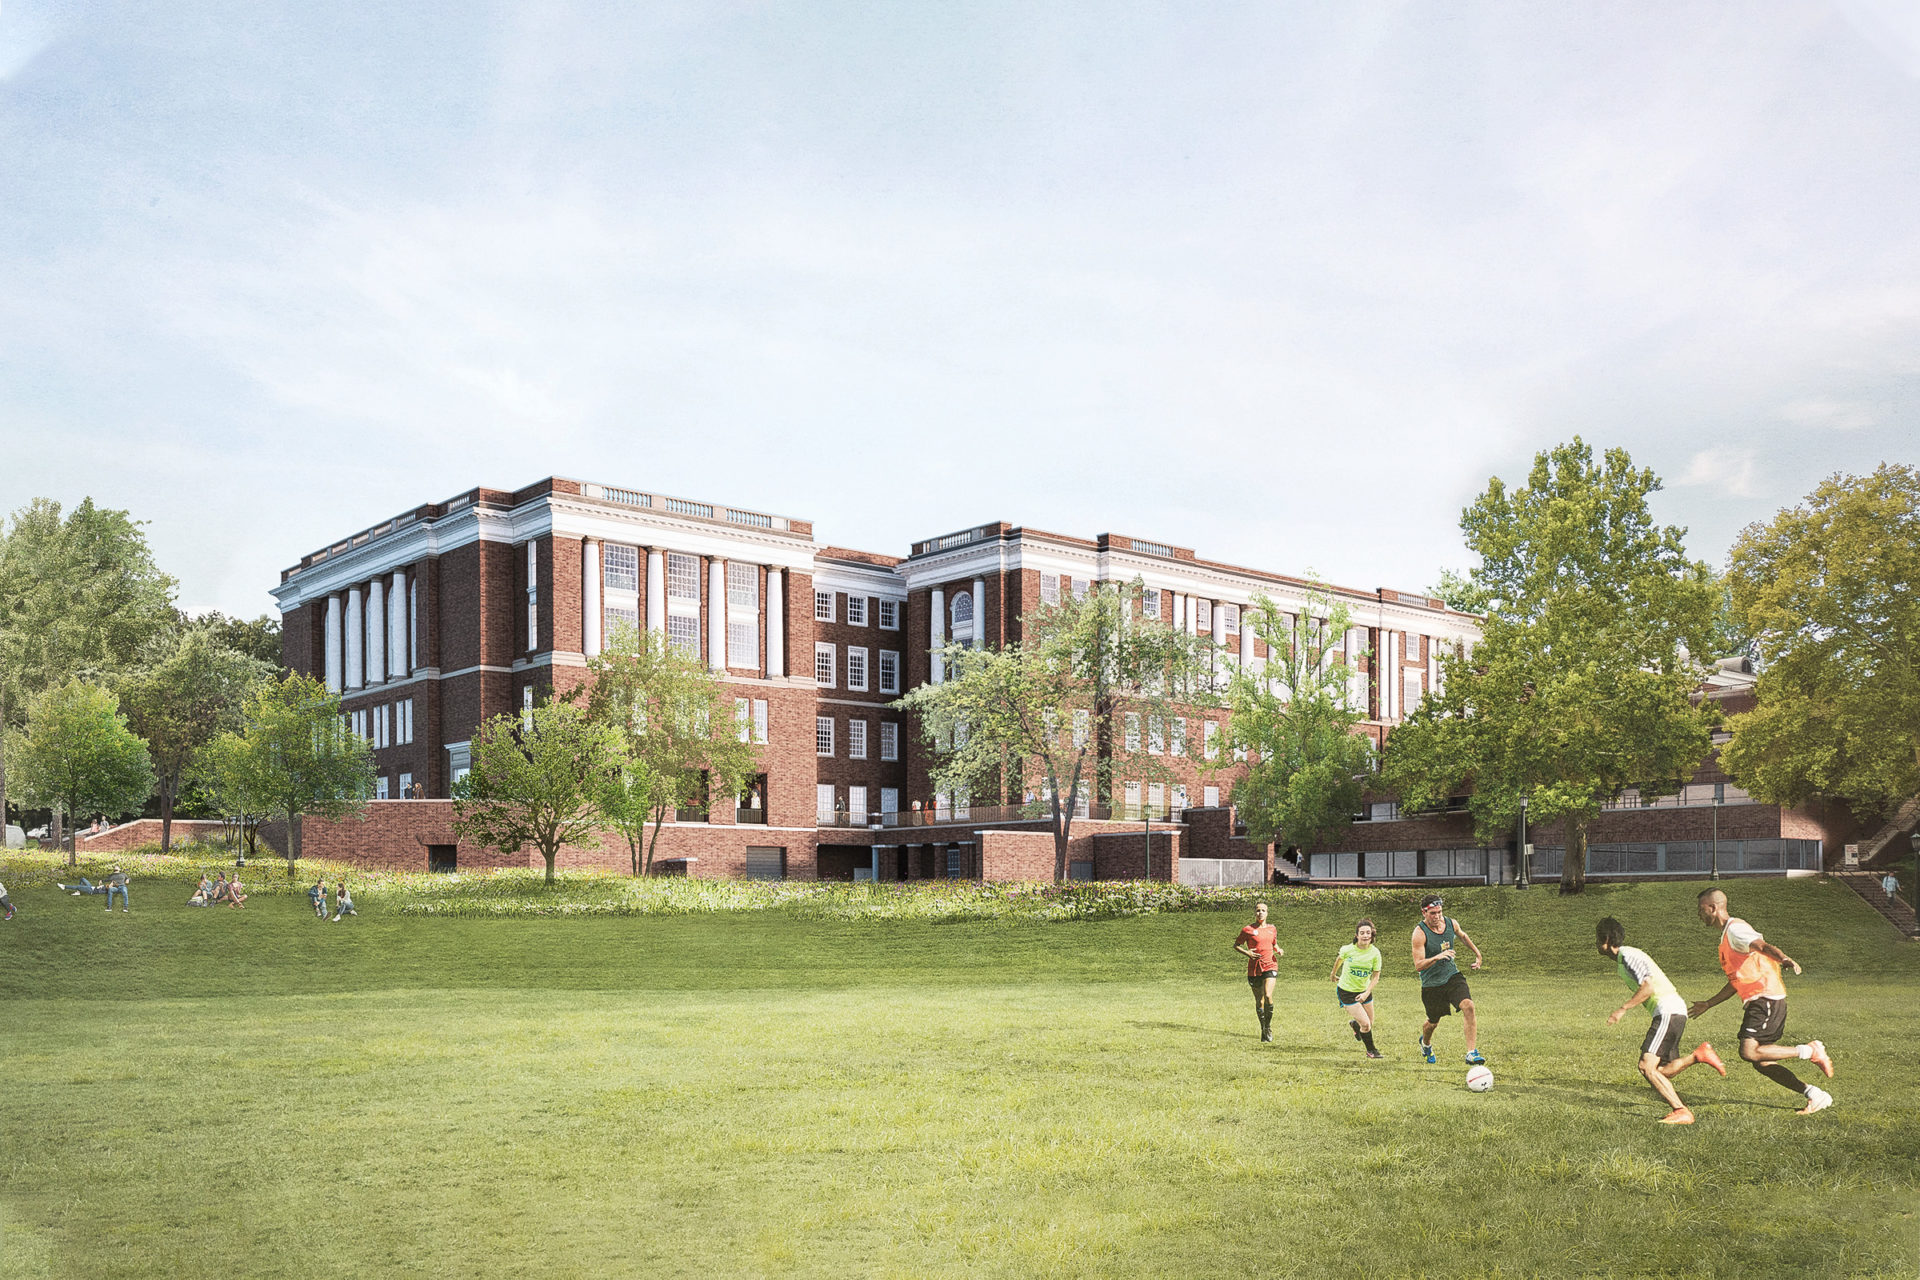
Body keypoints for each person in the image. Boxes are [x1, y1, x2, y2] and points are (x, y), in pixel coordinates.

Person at [1688, 889, 1834, 1115]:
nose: (1698, 914)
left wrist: (1783, 958)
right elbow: (1736, 981)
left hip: (1765, 998)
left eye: (1701, 909)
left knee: (1748, 1051)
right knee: (1762, 1060)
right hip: (1760, 999)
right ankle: (1815, 1094)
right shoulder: (1728, 937)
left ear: (1713, 908)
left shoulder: (1736, 929)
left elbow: (1762, 946)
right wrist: (1708, 1004)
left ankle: (1809, 1050)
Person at [1596, 916, 1725, 1125]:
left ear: (1607, 939)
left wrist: (1622, 1009)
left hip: (1668, 1011)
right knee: (1662, 1071)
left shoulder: (1629, 955)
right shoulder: (1624, 960)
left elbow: (1648, 988)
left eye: (1597, 938)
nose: (1595, 944)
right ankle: (1699, 1055)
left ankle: (1681, 1110)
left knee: (1646, 1066)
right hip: (1672, 1011)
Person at [1412, 893, 1484, 1065]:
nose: (1437, 916)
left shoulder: (1451, 923)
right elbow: (1418, 965)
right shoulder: (1419, 933)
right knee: (1432, 1023)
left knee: (1469, 1006)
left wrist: (1478, 955)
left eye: (1439, 912)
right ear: (1424, 912)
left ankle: (1471, 1053)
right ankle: (1426, 1043)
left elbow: (1463, 936)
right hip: (1432, 984)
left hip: (1452, 976)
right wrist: (1438, 956)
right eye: (1433, 913)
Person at [1329, 918, 1383, 1058]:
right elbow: (1339, 959)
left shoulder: (1375, 953)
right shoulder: (1348, 950)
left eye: (1368, 933)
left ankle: (1355, 1025)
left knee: (1369, 1023)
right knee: (1366, 1024)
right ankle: (1371, 1050)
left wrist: (1366, 993)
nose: (1365, 935)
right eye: (1362, 933)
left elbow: (1375, 977)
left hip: (1364, 991)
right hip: (1346, 991)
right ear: (1357, 935)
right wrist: (1333, 974)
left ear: (1372, 935)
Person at [1233, 901, 1284, 1042]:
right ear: (1255, 913)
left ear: (1267, 913)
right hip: (1254, 968)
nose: (1260, 912)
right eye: (1258, 910)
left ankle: (1267, 1027)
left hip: (1270, 965)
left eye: (1263, 910)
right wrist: (1247, 953)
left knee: (1268, 995)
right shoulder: (1247, 930)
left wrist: (1278, 949)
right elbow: (1236, 945)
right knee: (1259, 1001)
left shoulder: (1272, 928)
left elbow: (1274, 943)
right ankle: (1263, 1027)